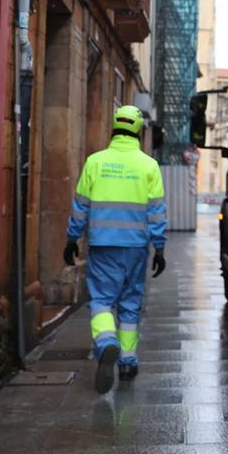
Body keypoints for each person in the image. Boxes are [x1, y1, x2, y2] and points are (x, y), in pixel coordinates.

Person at [64, 105, 168, 394]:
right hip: (136, 247)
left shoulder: (95, 162)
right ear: (138, 129)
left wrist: (72, 238)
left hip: (102, 244)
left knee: (101, 299)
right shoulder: (149, 165)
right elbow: (157, 211)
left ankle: (106, 340)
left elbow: (80, 206)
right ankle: (127, 361)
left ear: (114, 125)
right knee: (130, 303)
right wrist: (159, 248)